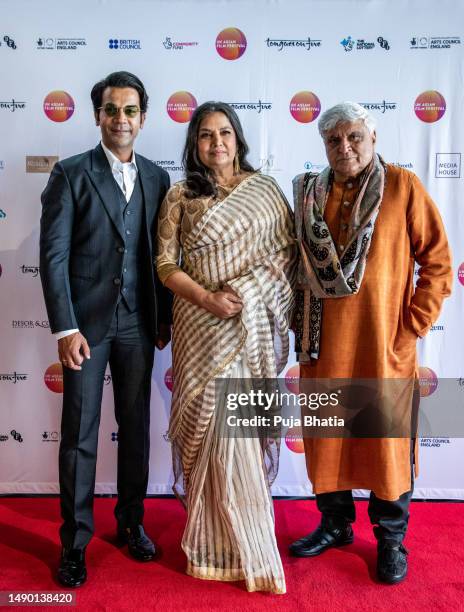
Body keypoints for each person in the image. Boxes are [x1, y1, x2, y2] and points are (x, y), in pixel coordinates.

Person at [289, 102, 452, 584]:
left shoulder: (402, 187)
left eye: (355, 137)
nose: (345, 148)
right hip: (322, 345)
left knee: (385, 445)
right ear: (323, 146)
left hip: (384, 346)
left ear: (373, 139)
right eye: (334, 140)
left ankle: (391, 540)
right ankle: (336, 525)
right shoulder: (306, 194)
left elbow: (438, 263)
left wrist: (412, 324)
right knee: (330, 440)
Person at [156, 102, 296, 594]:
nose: (217, 143)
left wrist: (248, 295)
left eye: (225, 133)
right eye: (206, 136)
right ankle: (210, 549)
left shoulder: (266, 192)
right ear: (194, 145)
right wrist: (208, 299)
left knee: (236, 440)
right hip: (198, 326)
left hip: (249, 329)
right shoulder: (180, 195)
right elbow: (165, 264)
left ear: (238, 139)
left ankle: (249, 549)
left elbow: (286, 260)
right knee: (206, 437)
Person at [39, 71, 171, 587]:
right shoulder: (70, 174)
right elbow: (52, 258)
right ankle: (73, 544)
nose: (121, 119)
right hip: (86, 329)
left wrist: (163, 318)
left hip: (139, 324)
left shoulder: (159, 179)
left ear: (142, 117)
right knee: (80, 434)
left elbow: (163, 258)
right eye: (111, 110)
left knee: (136, 429)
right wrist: (65, 328)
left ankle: (132, 523)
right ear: (97, 115)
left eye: (130, 110)